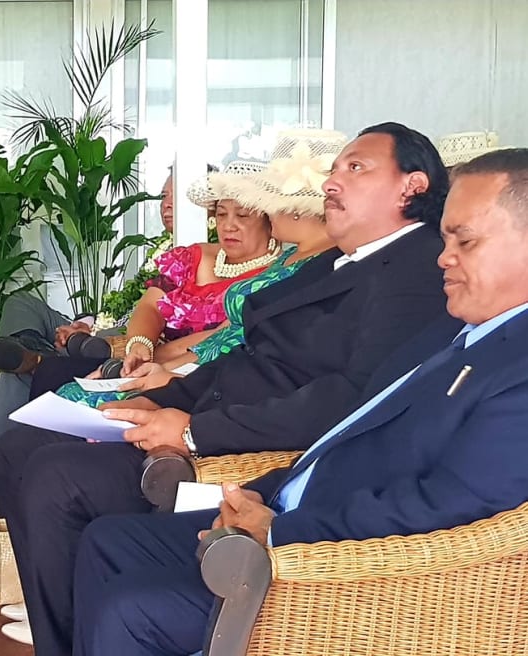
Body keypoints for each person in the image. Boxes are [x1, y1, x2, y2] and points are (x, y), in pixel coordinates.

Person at [0, 122, 460, 653]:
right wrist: (163, 395)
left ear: (412, 185)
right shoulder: (338, 261)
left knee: (58, 477)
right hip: (208, 404)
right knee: (19, 444)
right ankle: (73, 639)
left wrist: (191, 432)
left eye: (356, 168)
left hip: (250, 440)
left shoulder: (418, 271)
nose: (332, 182)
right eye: (334, 169)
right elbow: (247, 353)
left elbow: (347, 400)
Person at [72, 147, 528, 656]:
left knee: (129, 610)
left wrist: (280, 529)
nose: (443, 257)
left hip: (345, 568)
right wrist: (259, 494)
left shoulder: (518, 368)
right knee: (108, 542)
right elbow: (350, 429)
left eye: (464, 241)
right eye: (445, 239)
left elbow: (448, 505)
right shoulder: (460, 329)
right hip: (286, 507)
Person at [0, 164, 277, 519]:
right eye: (221, 214)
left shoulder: (276, 277)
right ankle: (37, 354)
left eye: (242, 216)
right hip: (135, 354)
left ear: (268, 217)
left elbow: (223, 339)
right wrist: (139, 345)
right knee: (25, 314)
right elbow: (149, 306)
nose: (229, 225)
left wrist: (153, 358)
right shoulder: (190, 255)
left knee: (39, 377)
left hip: (180, 373)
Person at [54, 129, 347, 407]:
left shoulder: (319, 266)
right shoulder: (293, 257)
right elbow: (219, 331)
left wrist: (168, 375)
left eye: (256, 208)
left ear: (294, 207)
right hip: (193, 370)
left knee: (71, 404)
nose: (267, 212)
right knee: (68, 395)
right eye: (221, 214)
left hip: (218, 387)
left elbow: (246, 347)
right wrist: (153, 361)